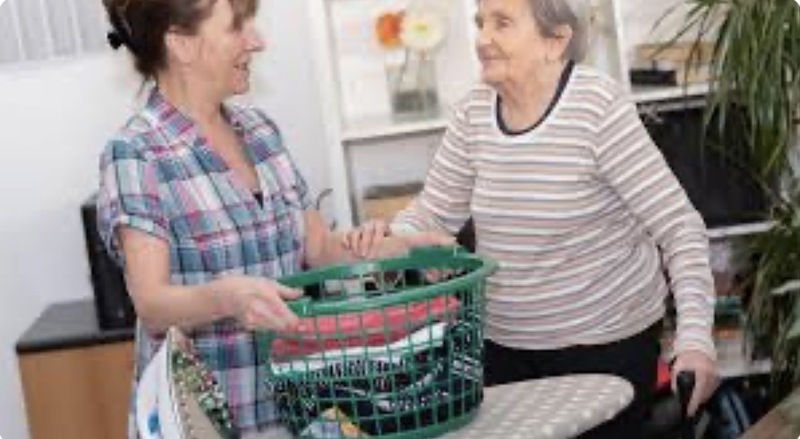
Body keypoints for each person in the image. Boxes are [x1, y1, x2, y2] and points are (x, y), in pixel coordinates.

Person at [344, 0, 719, 437]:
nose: (482, 39)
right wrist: (392, 239)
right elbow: (432, 214)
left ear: (555, 40)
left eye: (502, 23)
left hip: (605, 345)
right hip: (503, 348)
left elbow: (679, 227)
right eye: (480, 22)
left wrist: (696, 339)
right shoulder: (474, 112)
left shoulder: (597, 107)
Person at [96, 0, 451, 437]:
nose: (257, 41)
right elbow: (152, 304)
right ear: (181, 43)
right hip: (207, 425)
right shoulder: (136, 153)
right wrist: (229, 298)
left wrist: (401, 250)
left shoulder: (260, 131)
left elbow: (321, 250)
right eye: (236, 27)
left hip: (291, 418)